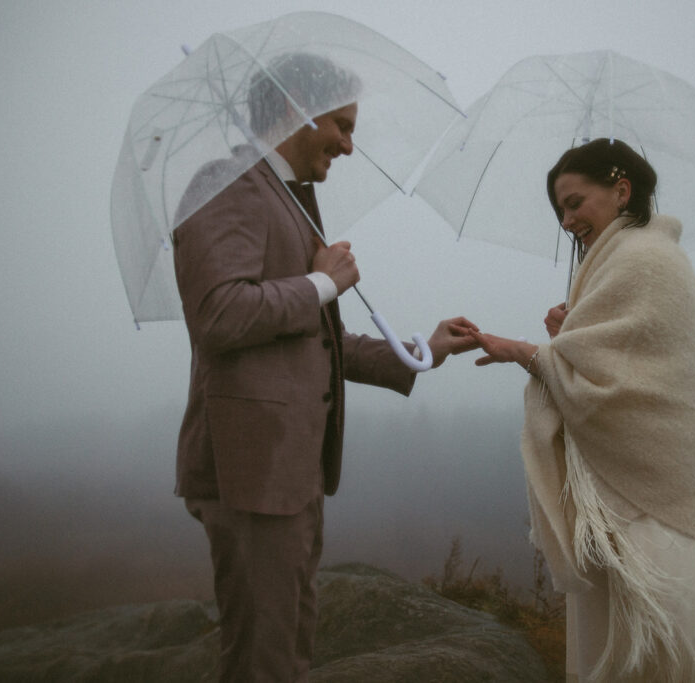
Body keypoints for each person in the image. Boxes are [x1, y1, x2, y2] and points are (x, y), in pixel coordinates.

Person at [171, 53, 478, 682]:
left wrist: (423, 350)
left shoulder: (291, 199)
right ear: (293, 109)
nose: (348, 144)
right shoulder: (225, 184)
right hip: (250, 474)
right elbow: (218, 316)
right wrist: (318, 283)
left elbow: (319, 342)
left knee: (285, 648)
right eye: (341, 125)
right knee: (264, 657)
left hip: (289, 473)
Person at [469, 139, 695, 682]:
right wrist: (570, 335)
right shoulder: (627, 258)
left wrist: (525, 350)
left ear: (621, 190)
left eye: (575, 202)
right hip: (628, 490)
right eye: (560, 209)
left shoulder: (645, 258)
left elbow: (622, 389)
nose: (567, 219)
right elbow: (609, 363)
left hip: (650, 500)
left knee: (660, 643)